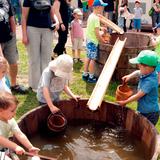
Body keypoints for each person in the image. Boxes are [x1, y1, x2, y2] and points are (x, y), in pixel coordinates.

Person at [22, 0, 59, 92]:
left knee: (46, 58)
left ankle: (45, 83)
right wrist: (24, 35)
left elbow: (52, 13)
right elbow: (23, 17)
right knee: (34, 58)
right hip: (32, 29)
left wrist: (57, 21)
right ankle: (35, 85)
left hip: (47, 29)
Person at [117, 50, 160, 126]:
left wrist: (125, 102)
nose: (138, 67)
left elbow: (138, 96)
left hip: (150, 113)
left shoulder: (150, 81)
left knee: (145, 131)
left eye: (139, 66)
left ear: (147, 67)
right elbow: (137, 72)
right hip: (144, 109)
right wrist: (129, 76)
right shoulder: (148, 72)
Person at [0, 91, 40, 160]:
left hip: (3, 147)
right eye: (12, 111)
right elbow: (1, 139)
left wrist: (30, 147)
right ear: (0, 111)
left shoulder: (10, 120)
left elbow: (19, 134)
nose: (15, 113)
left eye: (15, 110)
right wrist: (15, 147)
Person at [0, 0, 28, 94]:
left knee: (13, 63)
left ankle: (13, 84)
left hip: (9, 38)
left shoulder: (6, 1)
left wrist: (14, 34)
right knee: (1, 64)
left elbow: (11, 17)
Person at [82, 0, 108, 83]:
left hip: (89, 40)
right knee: (93, 59)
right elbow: (97, 33)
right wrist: (103, 40)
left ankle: (85, 74)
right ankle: (91, 77)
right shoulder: (96, 18)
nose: (103, 8)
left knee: (88, 57)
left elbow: (93, 28)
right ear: (98, 7)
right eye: (102, 6)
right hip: (93, 41)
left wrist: (100, 28)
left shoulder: (91, 16)